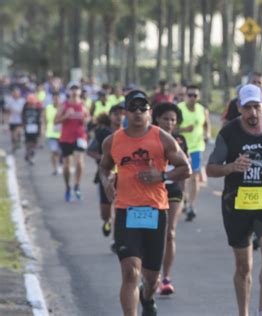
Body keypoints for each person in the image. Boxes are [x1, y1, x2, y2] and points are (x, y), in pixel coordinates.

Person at [100, 90, 190, 316]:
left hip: (155, 210)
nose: (138, 112)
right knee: (130, 272)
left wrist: (162, 177)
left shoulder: (162, 138)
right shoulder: (113, 141)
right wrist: (107, 181)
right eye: (133, 108)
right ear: (125, 112)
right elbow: (104, 167)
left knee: (151, 279)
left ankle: (147, 298)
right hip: (125, 210)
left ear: (150, 111)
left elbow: (185, 168)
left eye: (143, 108)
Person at [207, 84, 262, 316]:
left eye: (257, 107)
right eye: (248, 107)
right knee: (244, 266)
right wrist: (232, 167)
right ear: (239, 107)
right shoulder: (229, 133)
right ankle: (243, 312)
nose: (253, 113)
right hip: (237, 204)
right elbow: (211, 169)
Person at [151, 102, 188, 295]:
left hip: (173, 191)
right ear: (157, 118)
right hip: (151, 192)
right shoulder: (149, 138)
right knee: (152, 234)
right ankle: (150, 275)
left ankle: (166, 277)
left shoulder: (180, 140)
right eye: (165, 118)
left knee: (170, 233)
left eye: (173, 119)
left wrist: (184, 195)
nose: (169, 123)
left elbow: (185, 169)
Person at [87, 106, 125, 242]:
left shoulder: (130, 133)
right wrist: (104, 158)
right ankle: (106, 222)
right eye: (116, 114)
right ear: (110, 116)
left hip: (123, 176)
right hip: (105, 175)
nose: (119, 116)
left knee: (119, 209)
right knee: (106, 211)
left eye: (122, 114)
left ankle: (116, 240)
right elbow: (90, 151)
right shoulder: (102, 133)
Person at [176, 85, 211, 221]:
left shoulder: (202, 110)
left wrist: (207, 134)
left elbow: (206, 124)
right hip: (181, 148)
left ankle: (191, 206)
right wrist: (184, 129)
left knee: (195, 177)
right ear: (185, 96)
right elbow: (172, 128)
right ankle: (184, 199)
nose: (192, 98)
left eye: (195, 95)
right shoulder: (179, 109)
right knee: (183, 177)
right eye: (189, 95)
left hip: (196, 148)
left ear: (198, 97)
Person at [55, 84, 90, 202]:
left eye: (77, 89)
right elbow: (55, 121)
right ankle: (67, 187)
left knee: (79, 162)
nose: (74, 91)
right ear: (69, 91)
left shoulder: (83, 105)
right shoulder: (64, 105)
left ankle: (77, 185)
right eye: (72, 89)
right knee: (66, 165)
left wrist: (85, 120)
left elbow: (88, 119)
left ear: (80, 91)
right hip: (65, 138)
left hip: (79, 137)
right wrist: (65, 116)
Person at [43, 91, 62, 175]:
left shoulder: (63, 107)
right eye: (54, 98)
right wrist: (43, 130)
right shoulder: (48, 108)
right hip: (51, 133)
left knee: (61, 152)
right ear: (52, 99)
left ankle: (61, 164)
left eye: (57, 98)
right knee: (54, 151)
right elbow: (44, 120)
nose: (56, 100)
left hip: (62, 134)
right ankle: (55, 169)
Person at [21, 93, 43, 164]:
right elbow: (22, 117)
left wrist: (41, 128)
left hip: (35, 128)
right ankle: (28, 154)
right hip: (28, 127)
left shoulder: (37, 108)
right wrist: (24, 124)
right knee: (28, 142)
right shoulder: (25, 108)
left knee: (34, 143)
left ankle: (30, 153)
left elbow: (40, 118)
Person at [4, 86, 26, 153]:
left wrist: (22, 112)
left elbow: (25, 110)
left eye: (17, 93)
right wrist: (5, 122)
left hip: (19, 120)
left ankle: (18, 142)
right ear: (13, 94)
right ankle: (14, 145)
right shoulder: (10, 100)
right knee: (12, 135)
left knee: (17, 132)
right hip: (12, 120)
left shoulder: (22, 100)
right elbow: (6, 110)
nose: (16, 95)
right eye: (15, 93)